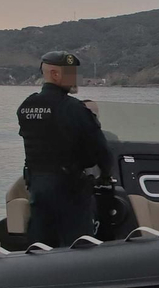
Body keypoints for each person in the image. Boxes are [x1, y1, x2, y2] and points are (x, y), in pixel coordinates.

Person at [16, 51, 113, 247]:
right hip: (70, 190)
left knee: (40, 245)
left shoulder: (26, 106)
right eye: (70, 73)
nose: (76, 78)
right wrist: (105, 174)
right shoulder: (74, 108)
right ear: (54, 74)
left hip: (38, 187)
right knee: (78, 246)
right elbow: (100, 149)